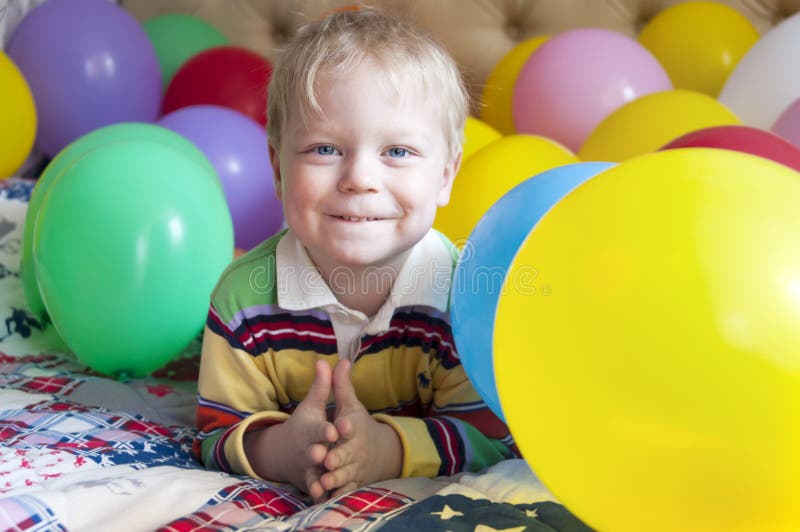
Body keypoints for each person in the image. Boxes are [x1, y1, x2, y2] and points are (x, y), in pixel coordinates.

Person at [193, 7, 516, 503]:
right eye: (325, 149)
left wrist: (388, 449)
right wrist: (283, 449)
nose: (359, 178)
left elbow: (489, 434)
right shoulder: (243, 299)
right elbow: (218, 434)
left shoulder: (464, 296)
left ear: (447, 175)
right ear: (278, 169)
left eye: (399, 152)